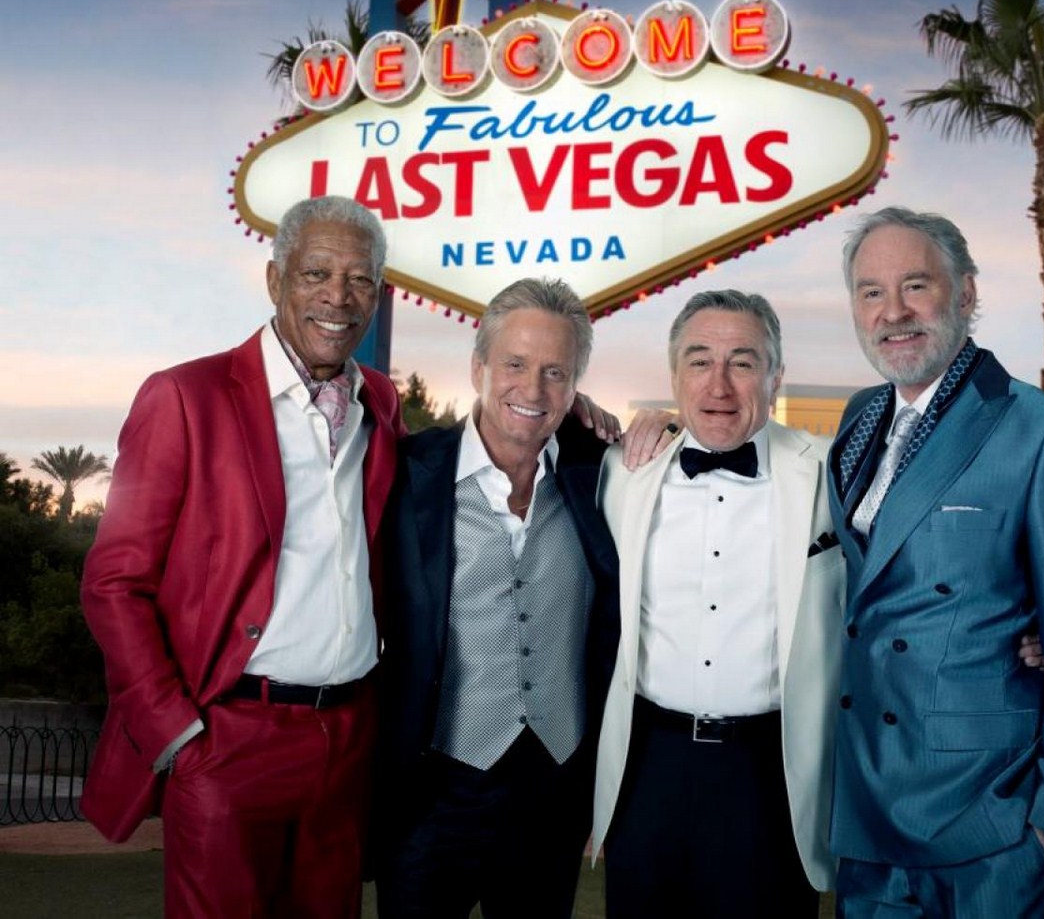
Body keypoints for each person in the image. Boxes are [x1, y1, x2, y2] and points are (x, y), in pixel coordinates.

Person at [81, 196, 402, 917]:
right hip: (228, 737)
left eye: (359, 279)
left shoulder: (380, 403)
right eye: (316, 273)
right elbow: (113, 583)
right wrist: (176, 733)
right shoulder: (184, 396)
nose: (338, 296)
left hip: (347, 737)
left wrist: (566, 418)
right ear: (275, 279)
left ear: (377, 294)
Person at [828, 206, 1044, 918]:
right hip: (868, 816)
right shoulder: (858, 420)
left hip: (992, 822)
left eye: (915, 285)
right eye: (871, 292)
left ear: (965, 292)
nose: (893, 312)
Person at [591, 289, 844, 919]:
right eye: (700, 361)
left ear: (776, 375)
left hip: (773, 773)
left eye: (743, 362)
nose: (719, 385)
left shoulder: (832, 471)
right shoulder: (621, 470)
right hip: (647, 768)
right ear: (674, 375)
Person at [374, 278, 620, 919]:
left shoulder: (602, 474)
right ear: (478, 367)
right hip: (434, 786)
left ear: (574, 386)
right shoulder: (404, 474)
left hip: (554, 787)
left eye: (555, 372)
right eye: (515, 364)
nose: (532, 390)